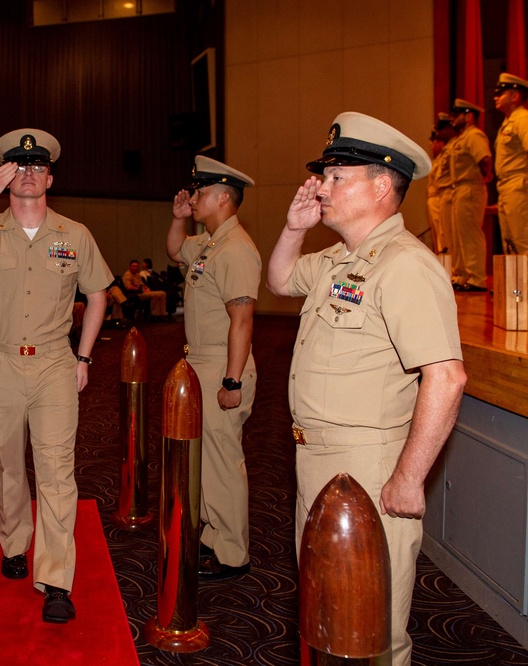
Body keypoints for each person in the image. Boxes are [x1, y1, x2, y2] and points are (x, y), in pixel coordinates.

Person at [266, 112, 466, 666]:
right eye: (323, 176)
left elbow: (446, 377)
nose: (322, 187)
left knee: (370, 627)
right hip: (316, 455)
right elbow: (280, 281)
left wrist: (407, 477)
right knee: (327, 615)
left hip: (369, 466)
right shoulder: (340, 259)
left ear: (382, 186)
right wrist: (293, 226)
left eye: (336, 177)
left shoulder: (405, 266)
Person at [0, 128, 112, 623]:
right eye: (19, 167)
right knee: (7, 462)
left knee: (57, 471)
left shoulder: (74, 234)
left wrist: (85, 356)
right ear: (5, 176)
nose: (29, 174)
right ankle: (14, 541)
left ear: (50, 177)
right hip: (1, 362)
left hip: (55, 362)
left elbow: (98, 295)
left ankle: (55, 579)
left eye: (37, 168)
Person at [166, 155, 260, 581]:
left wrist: (232, 380)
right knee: (204, 459)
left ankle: (232, 551)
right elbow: (173, 250)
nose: (194, 197)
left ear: (223, 197)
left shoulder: (237, 248)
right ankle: (212, 536)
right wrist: (177, 218)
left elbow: (242, 319)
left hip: (223, 364)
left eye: (201, 192)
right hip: (199, 361)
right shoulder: (209, 243)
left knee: (223, 461)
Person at [446, 99, 492, 291]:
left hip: (471, 188)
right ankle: (463, 274)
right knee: (459, 236)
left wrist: (484, 178)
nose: (453, 119)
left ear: (469, 116)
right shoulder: (461, 138)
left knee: (471, 235)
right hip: (460, 189)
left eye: (457, 115)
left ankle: (476, 278)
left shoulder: (474, 136)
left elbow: (485, 159)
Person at [494, 73, 528, 254]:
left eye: (501, 94)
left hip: (518, 184)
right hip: (506, 187)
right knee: (510, 243)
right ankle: (516, 283)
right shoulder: (508, 122)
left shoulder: (522, 118)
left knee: (522, 241)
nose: (496, 97)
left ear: (515, 96)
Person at [426, 113, 455, 255]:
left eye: (434, 141)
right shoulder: (437, 160)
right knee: (438, 234)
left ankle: (448, 261)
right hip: (435, 198)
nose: (431, 145)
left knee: (444, 233)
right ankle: (443, 258)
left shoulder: (449, 152)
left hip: (442, 196)